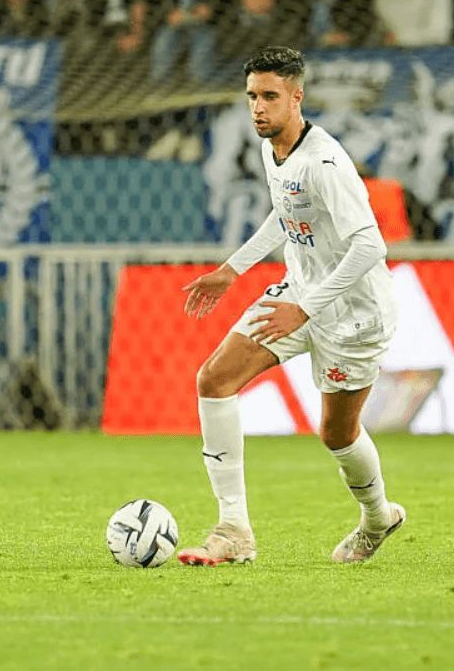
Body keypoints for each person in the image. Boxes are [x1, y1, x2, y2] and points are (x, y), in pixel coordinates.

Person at [177, 46, 404, 566]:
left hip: (353, 313)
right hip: (300, 290)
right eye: (252, 96)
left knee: (337, 434)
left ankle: (376, 517)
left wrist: (307, 309)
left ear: (297, 97)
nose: (258, 107)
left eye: (270, 97)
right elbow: (286, 215)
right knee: (214, 380)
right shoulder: (271, 149)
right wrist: (232, 269)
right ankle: (233, 530)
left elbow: (370, 245)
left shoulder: (325, 162)